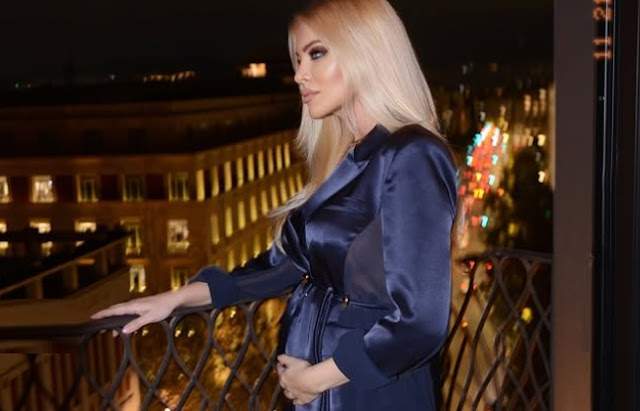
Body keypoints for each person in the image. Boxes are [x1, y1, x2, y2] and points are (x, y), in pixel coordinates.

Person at [91, 0, 459, 409]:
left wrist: (316, 379)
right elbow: (282, 266)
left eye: (316, 53)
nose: (299, 74)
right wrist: (176, 298)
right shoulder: (347, 158)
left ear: (366, 52)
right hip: (322, 388)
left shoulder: (412, 154)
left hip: (366, 391)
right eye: (297, 59)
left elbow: (420, 322)